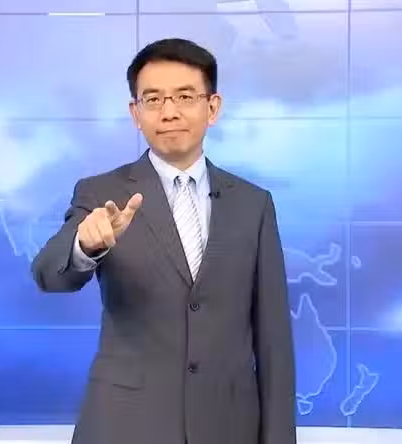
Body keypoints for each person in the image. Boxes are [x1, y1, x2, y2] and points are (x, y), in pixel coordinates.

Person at [31, 38, 296, 444]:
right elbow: (49, 274)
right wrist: (85, 245)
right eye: (153, 100)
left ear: (213, 108)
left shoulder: (253, 203)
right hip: (125, 426)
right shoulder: (101, 192)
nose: (169, 112)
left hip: (228, 426)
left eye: (185, 97)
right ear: (135, 113)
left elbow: (273, 338)